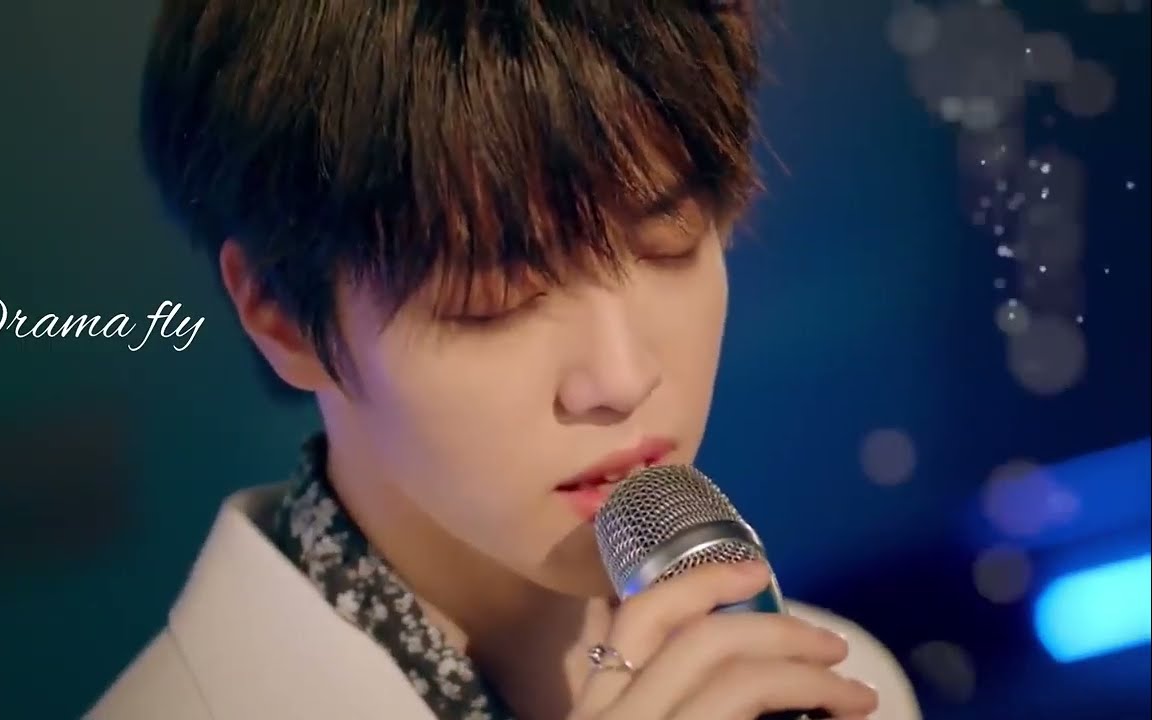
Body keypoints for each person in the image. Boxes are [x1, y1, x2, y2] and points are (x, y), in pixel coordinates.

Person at [90, 1, 921, 718]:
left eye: (669, 243)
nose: (621, 377)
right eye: (494, 300)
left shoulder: (844, 687)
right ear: (279, 314)